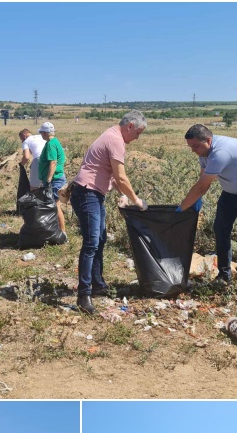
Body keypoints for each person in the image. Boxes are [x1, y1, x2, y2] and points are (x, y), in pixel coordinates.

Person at [177, 124, 237, 308]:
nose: (193, 151)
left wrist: (181, 209)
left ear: (208, 141)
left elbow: (202, 187)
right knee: (220, 229)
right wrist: (196, 200)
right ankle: (224, 276)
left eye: (195, 146)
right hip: (231, 192)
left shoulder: (221, 152)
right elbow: (202, 179)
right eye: (191, 147)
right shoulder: (205, 153)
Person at [71, 111, 147, 314]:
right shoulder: (115, 140)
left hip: (93, 194)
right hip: (87, 194)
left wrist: (123, 194)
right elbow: (121, 177)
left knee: (100, 240)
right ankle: (84, 295)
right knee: (91, 243)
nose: (137, 138)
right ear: (130, 125)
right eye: (138, 132)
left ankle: (97, 284)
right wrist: (136, 200)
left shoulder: (112, 135)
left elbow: (111, 174)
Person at [37, 122, 67, 234]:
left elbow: (53, 162)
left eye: (41, 132)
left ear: (45, 133)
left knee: (55, 205)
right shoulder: (55, 142)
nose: (40, 135)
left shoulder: (50, 144)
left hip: (55, 180)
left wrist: (48, 179)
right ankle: (56, 229)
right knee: (53, 205)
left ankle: (62, 232)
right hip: (56, 178)